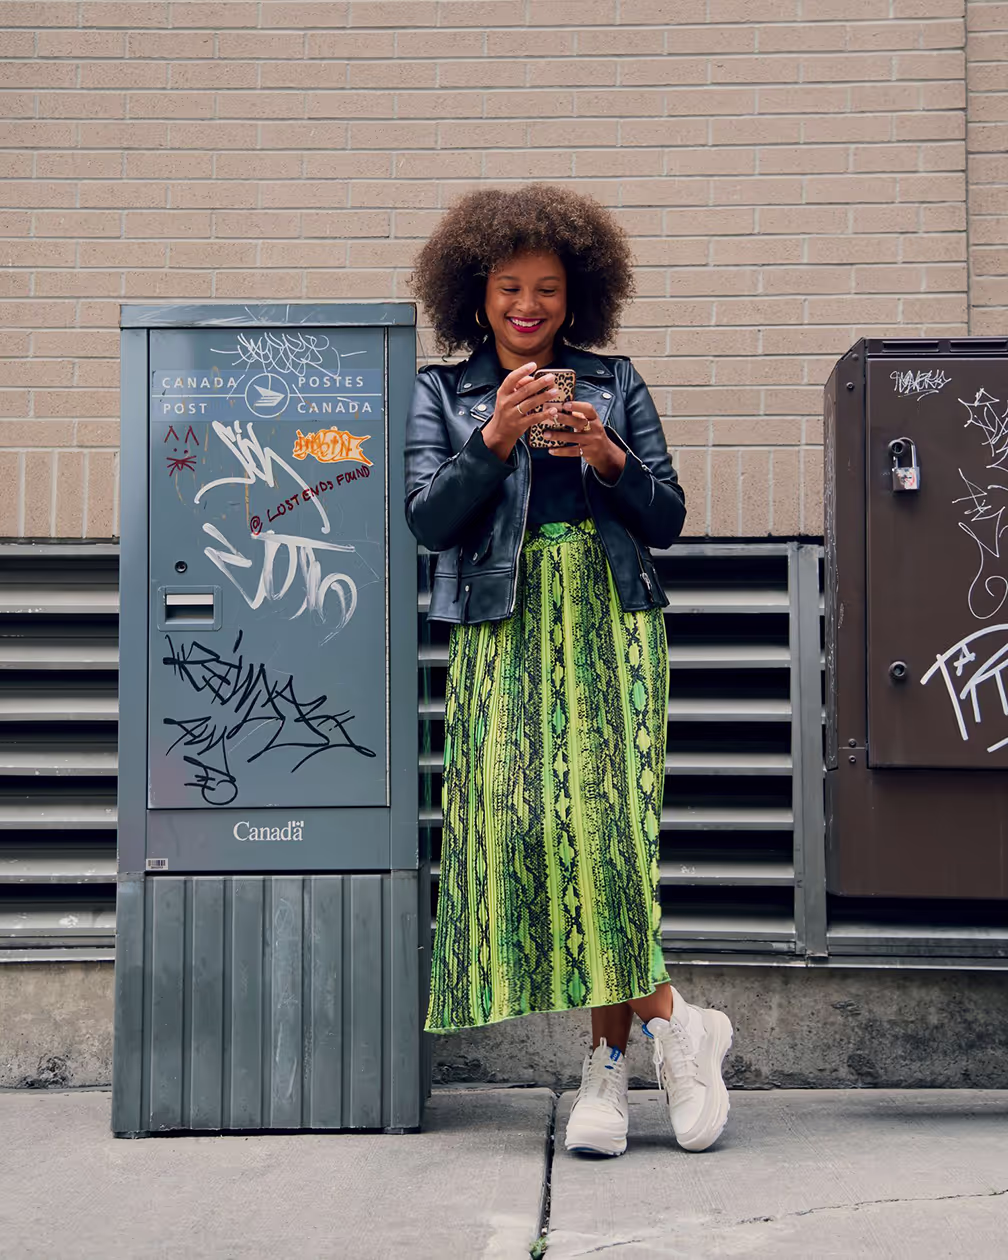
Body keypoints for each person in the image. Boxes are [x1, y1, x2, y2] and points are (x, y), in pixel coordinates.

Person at [404, 184, 733, 1158]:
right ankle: (673, 1020)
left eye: (547, 288)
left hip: (608, 618)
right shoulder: (443, 392)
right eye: (510, 287)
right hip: (502, 627)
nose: (528, 306)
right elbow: (427, 523)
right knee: (530, 829)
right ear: (477, 293)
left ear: (575, 294)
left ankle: (605, 1069)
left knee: (604, 827)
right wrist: (495, 436)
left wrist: (606, 456)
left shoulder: (613, 379)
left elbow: (666, 518)